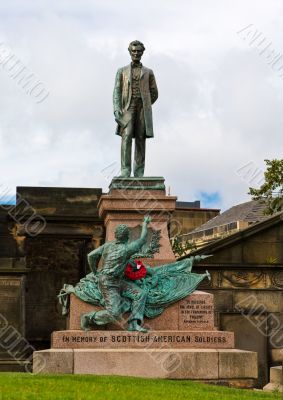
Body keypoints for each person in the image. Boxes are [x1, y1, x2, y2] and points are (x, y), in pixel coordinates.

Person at [80, 215, 152, 332]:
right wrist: (145, 223)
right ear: (127, 237)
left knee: (140, 294)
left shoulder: (108, 245)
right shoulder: (127, 249)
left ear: (116, 236)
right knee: (114, 313)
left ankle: (134, 324)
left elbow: (91, 256)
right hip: (109, 283)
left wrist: (94, 271)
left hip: (118, 281)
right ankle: (88, 318)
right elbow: (143, 239)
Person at [113, 40, 158, 178]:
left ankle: (138, 172)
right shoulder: (122, 71)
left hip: (142, 109)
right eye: (134, 51)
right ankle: (125, 171)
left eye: (138, 51)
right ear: (130, 52)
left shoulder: (149, 72)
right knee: (126, 136)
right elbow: (117, 91)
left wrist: (146, 104)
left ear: (142, 52)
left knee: (140, 138)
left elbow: (154, 92)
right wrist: (117, 109)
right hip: (128, 108)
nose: (136, 53)